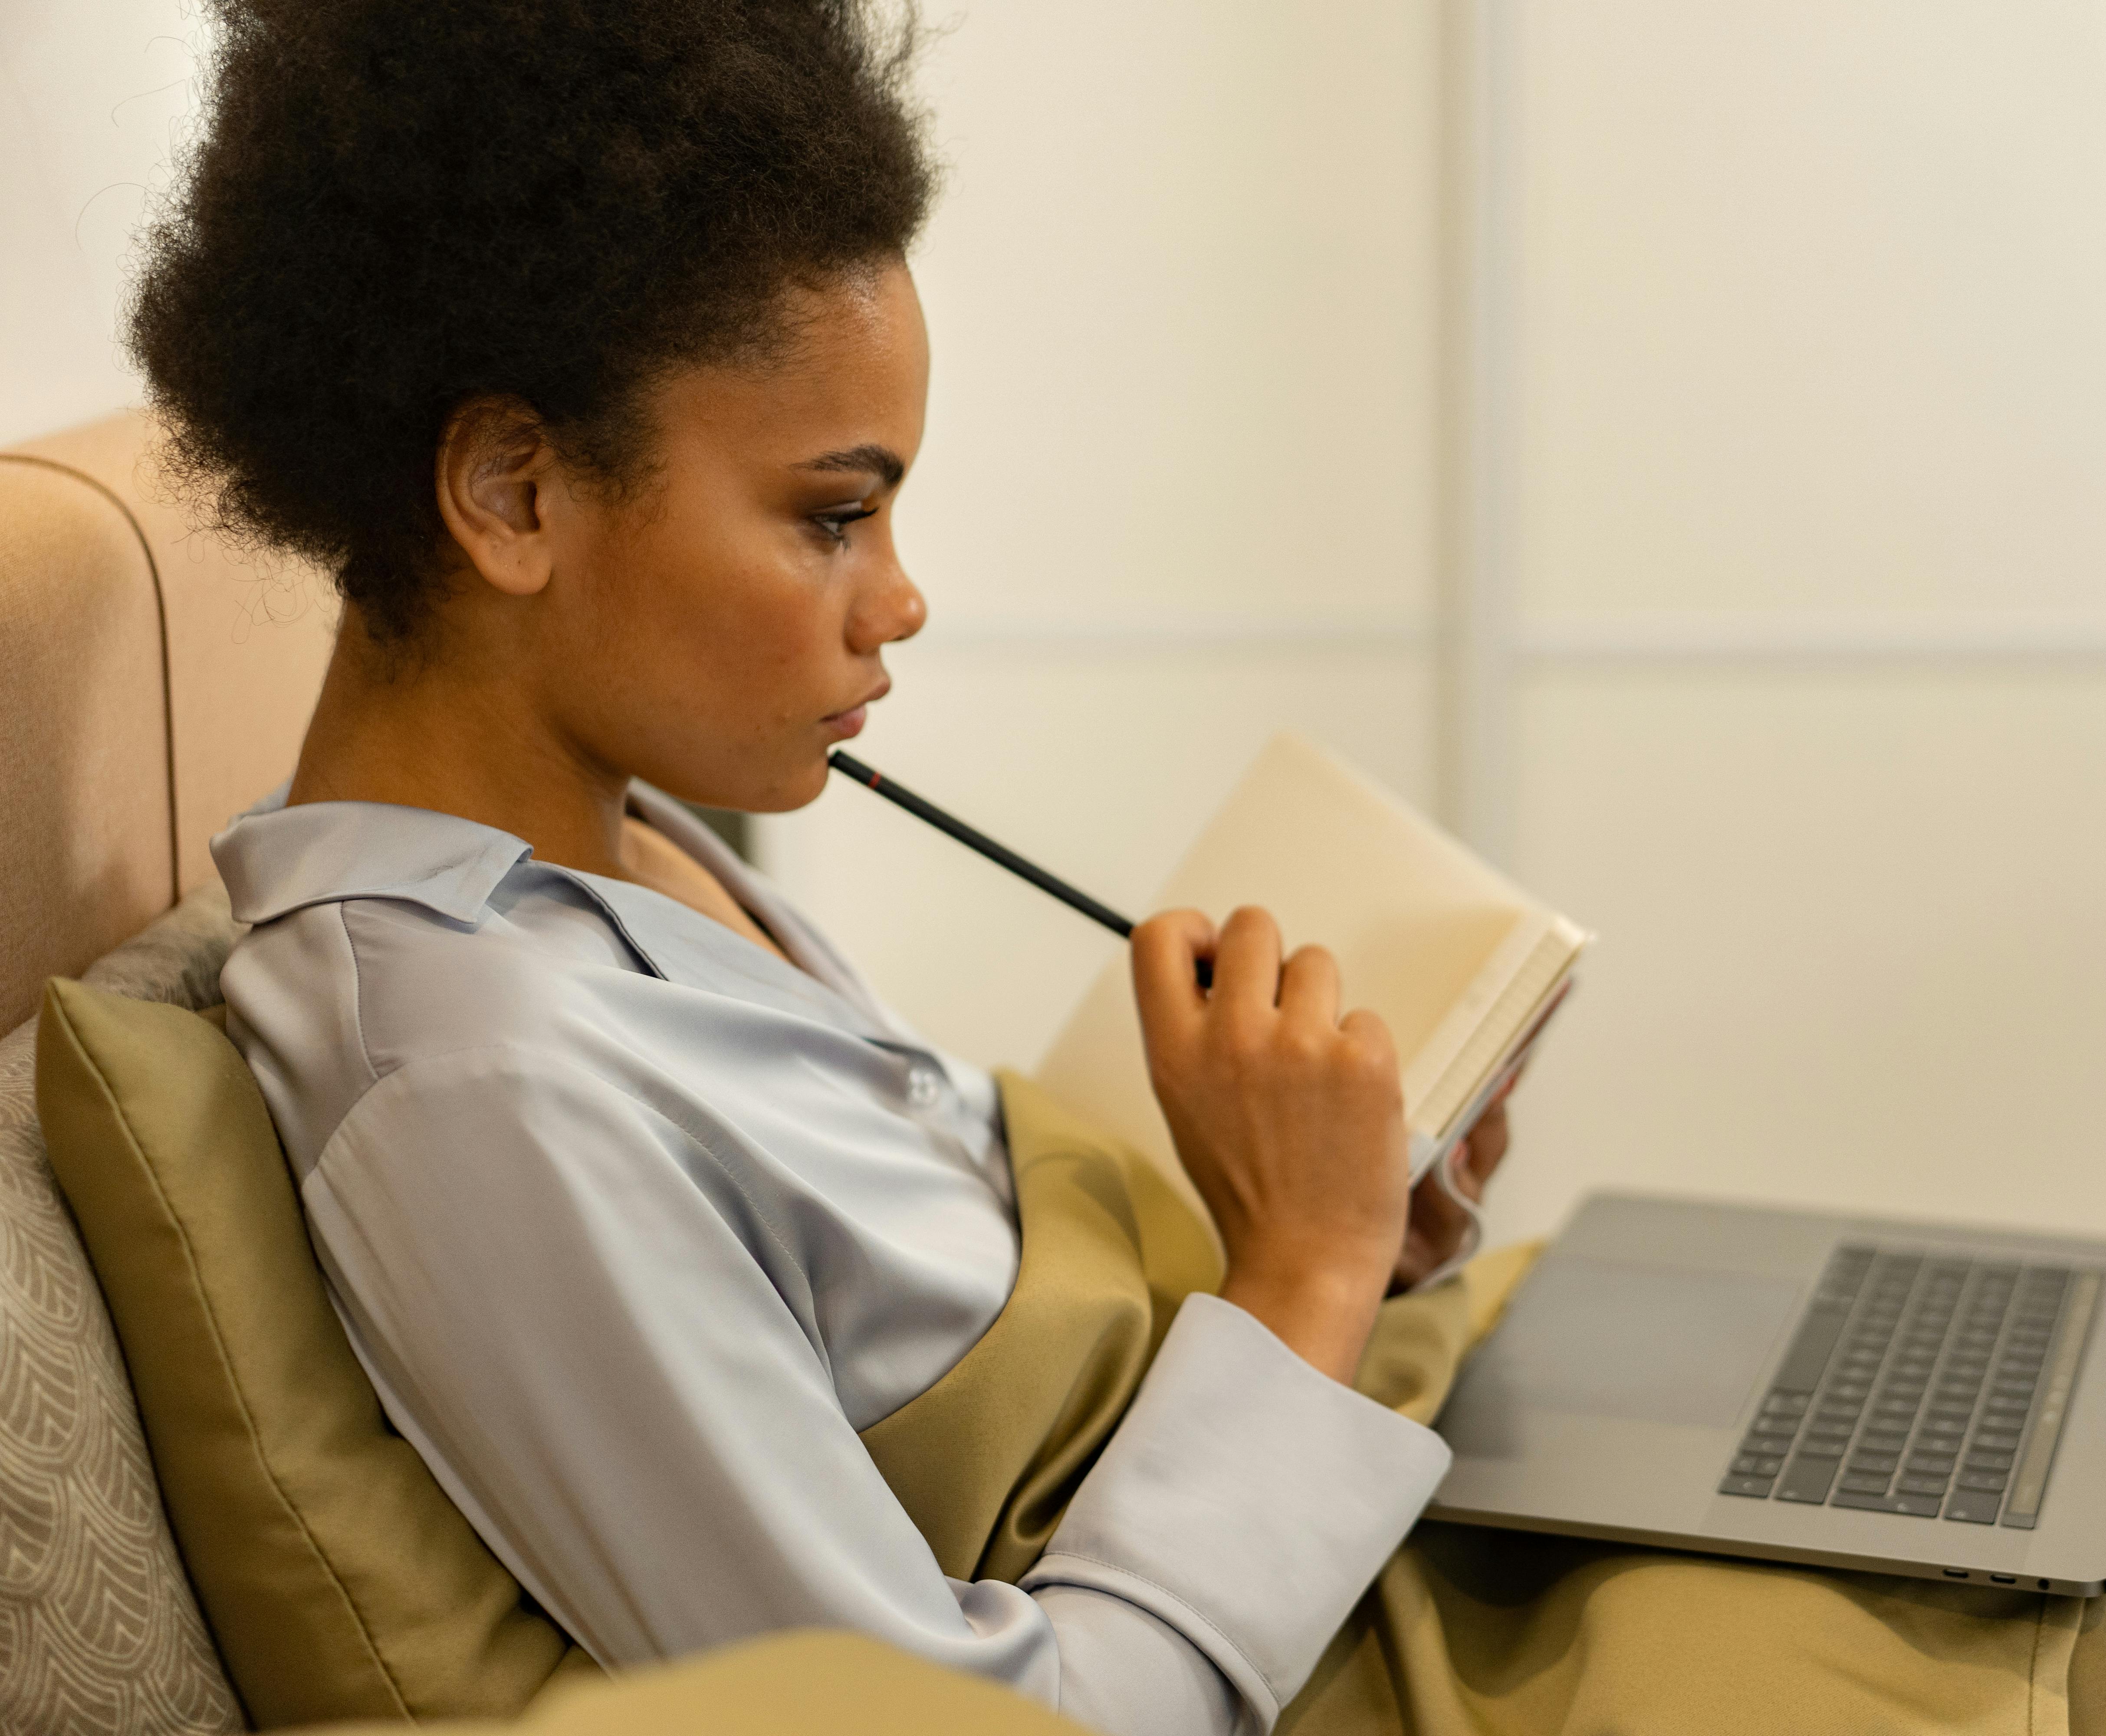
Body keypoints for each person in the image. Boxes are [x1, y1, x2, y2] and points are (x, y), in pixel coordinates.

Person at [138, 3, 1501, 1733]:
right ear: (512, 490)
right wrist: (1303, 1278)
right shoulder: (476, 1086)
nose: (901, 599)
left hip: (1347, 1551)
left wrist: (1358, 1211)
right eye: (832, 515)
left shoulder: (625, 849)